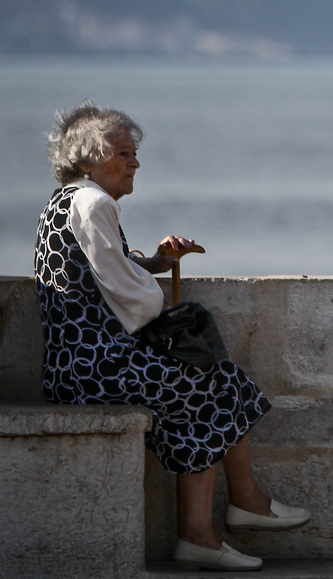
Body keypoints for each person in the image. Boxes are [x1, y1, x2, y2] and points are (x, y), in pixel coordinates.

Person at [34, 101, 309, 572]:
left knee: (214, 381)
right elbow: (128, 294)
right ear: (87, 159)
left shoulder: (64, 203)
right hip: (94, 366)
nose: (135, 162)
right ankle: (233, 511)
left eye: (134, 153)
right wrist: (163, 306)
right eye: (123, 153)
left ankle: (216, 524)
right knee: (214, 384)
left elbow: (103, 274)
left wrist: (155, 265)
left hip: (74, 365)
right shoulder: (93, 202)